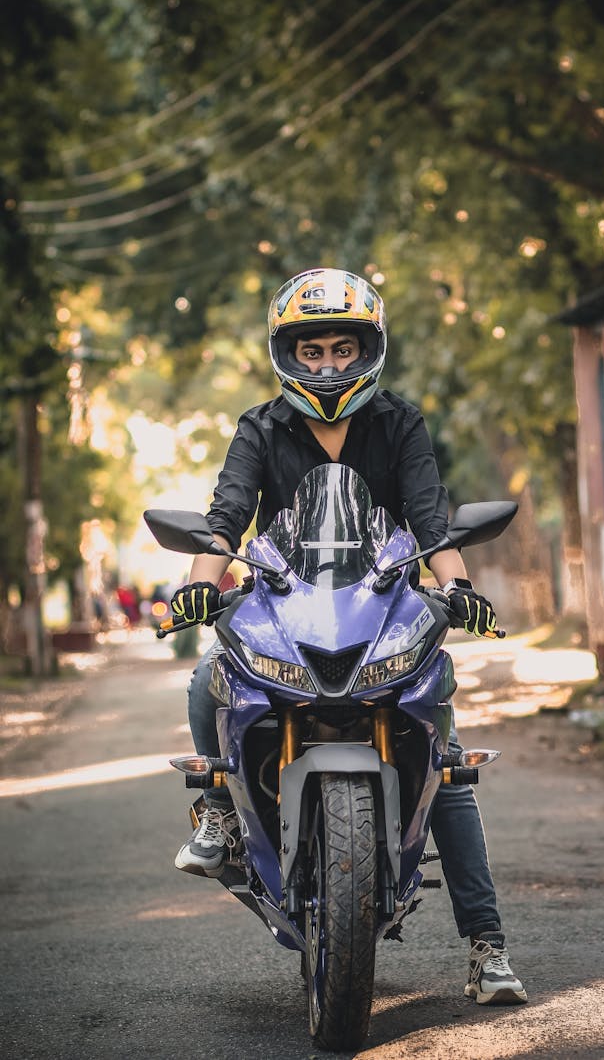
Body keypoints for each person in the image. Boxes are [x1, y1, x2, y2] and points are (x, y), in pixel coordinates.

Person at [169, 267, 527, 1005]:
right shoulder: (260, 427)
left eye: (341, 348)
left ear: (368, 348)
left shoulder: (400, 423)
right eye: (312, 351)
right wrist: (198, 583)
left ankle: (487, 946)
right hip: (287, 600)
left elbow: (432, 517)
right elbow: (227, 514)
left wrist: (459, 592)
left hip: (382, 602)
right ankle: (219, 806)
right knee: (209, 676)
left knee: (441, 754)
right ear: (287, 355)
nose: (327, 364)